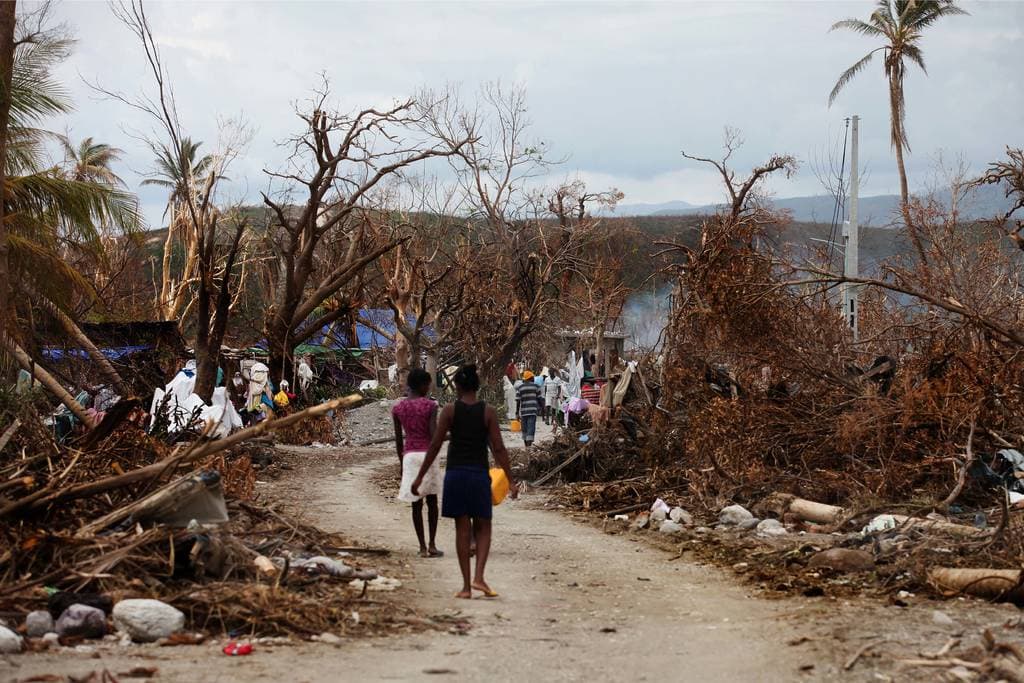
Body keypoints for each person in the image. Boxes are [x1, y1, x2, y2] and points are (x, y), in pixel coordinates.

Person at [413, 364, 517, 599]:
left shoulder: (449, 411)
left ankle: (466, 588)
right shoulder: (488, 412)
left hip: (456, 475)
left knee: (462, 529)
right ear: (477, 387)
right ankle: (479, 577)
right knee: (484, 527)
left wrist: (419, 476)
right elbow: (499, 448)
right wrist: (511, 480)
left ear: (457, 387)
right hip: (479, 475)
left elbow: (435, 445)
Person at [393, 369, 443, 558]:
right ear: (423, 385)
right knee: (432, 501)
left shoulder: (398, 408)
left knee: (416, 503)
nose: (429, 388)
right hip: (428, 455)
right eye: (428, 384)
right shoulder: (430, 406)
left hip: (410, 456)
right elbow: (433, 434)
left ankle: (422, 547)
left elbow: (399, 442)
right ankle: (432, 544)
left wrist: (401, 463)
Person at [516, 370, 542, 448]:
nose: (534, 379)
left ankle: (526, 447)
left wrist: (517, 413)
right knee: (530, 429)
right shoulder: (536, 386)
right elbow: (539, 399)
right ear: (530, 378)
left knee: (524, 430)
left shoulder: (520, 388)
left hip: (523, 412)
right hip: (532, 411)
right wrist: (542, 408)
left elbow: (518, 401)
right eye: (533, 377)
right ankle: (529, 448)